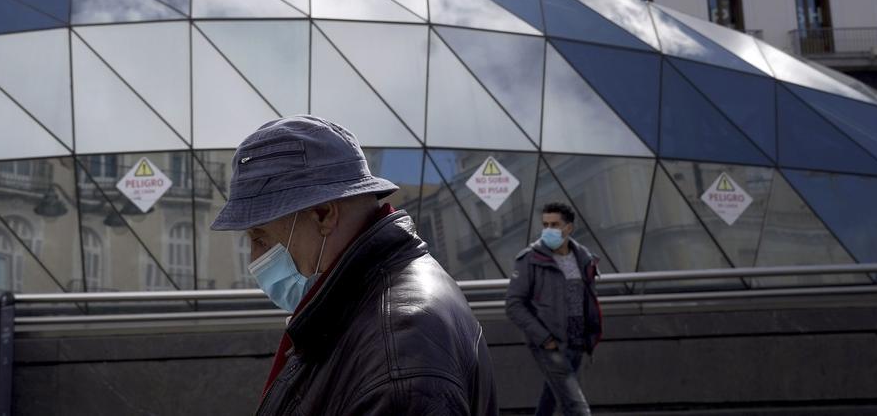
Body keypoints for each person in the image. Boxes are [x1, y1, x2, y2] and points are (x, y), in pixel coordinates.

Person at [210, 115, 498, 415]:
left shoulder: (396, 354)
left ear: (323, 214)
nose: (255, 259)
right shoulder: (371, 304)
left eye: (260, 237)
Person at [505, 202, 603, 416]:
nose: (548, 230)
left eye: (555, 224)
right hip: (550, 345)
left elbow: (588, 298)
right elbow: (514, 304)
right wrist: (544, 338)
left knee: (551, 399)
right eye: (545, 224)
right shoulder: (530, 259)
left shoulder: (583, 257)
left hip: (577, 342)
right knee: (577, 407)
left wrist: (589, 335)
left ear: (568, 228)